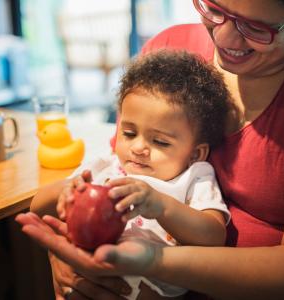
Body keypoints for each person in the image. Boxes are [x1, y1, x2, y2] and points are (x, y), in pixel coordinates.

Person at [16, 0, 284, 299]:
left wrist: (153, 260)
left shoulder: (194, 178)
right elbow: (52, 205)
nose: (224, 38)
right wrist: (68, 252)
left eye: (255, 27)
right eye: (213, 8)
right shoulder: (167, 54)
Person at [18, 50, 231, 300]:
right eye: (129, 133)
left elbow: (214, 236)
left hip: (153, 288)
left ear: (195, 154)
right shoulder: (105, 166)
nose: (138, 148)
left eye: (160, 142)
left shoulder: (194, 176)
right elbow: (37, 207)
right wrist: (65, 192)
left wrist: (160, 205)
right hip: (87, 272)